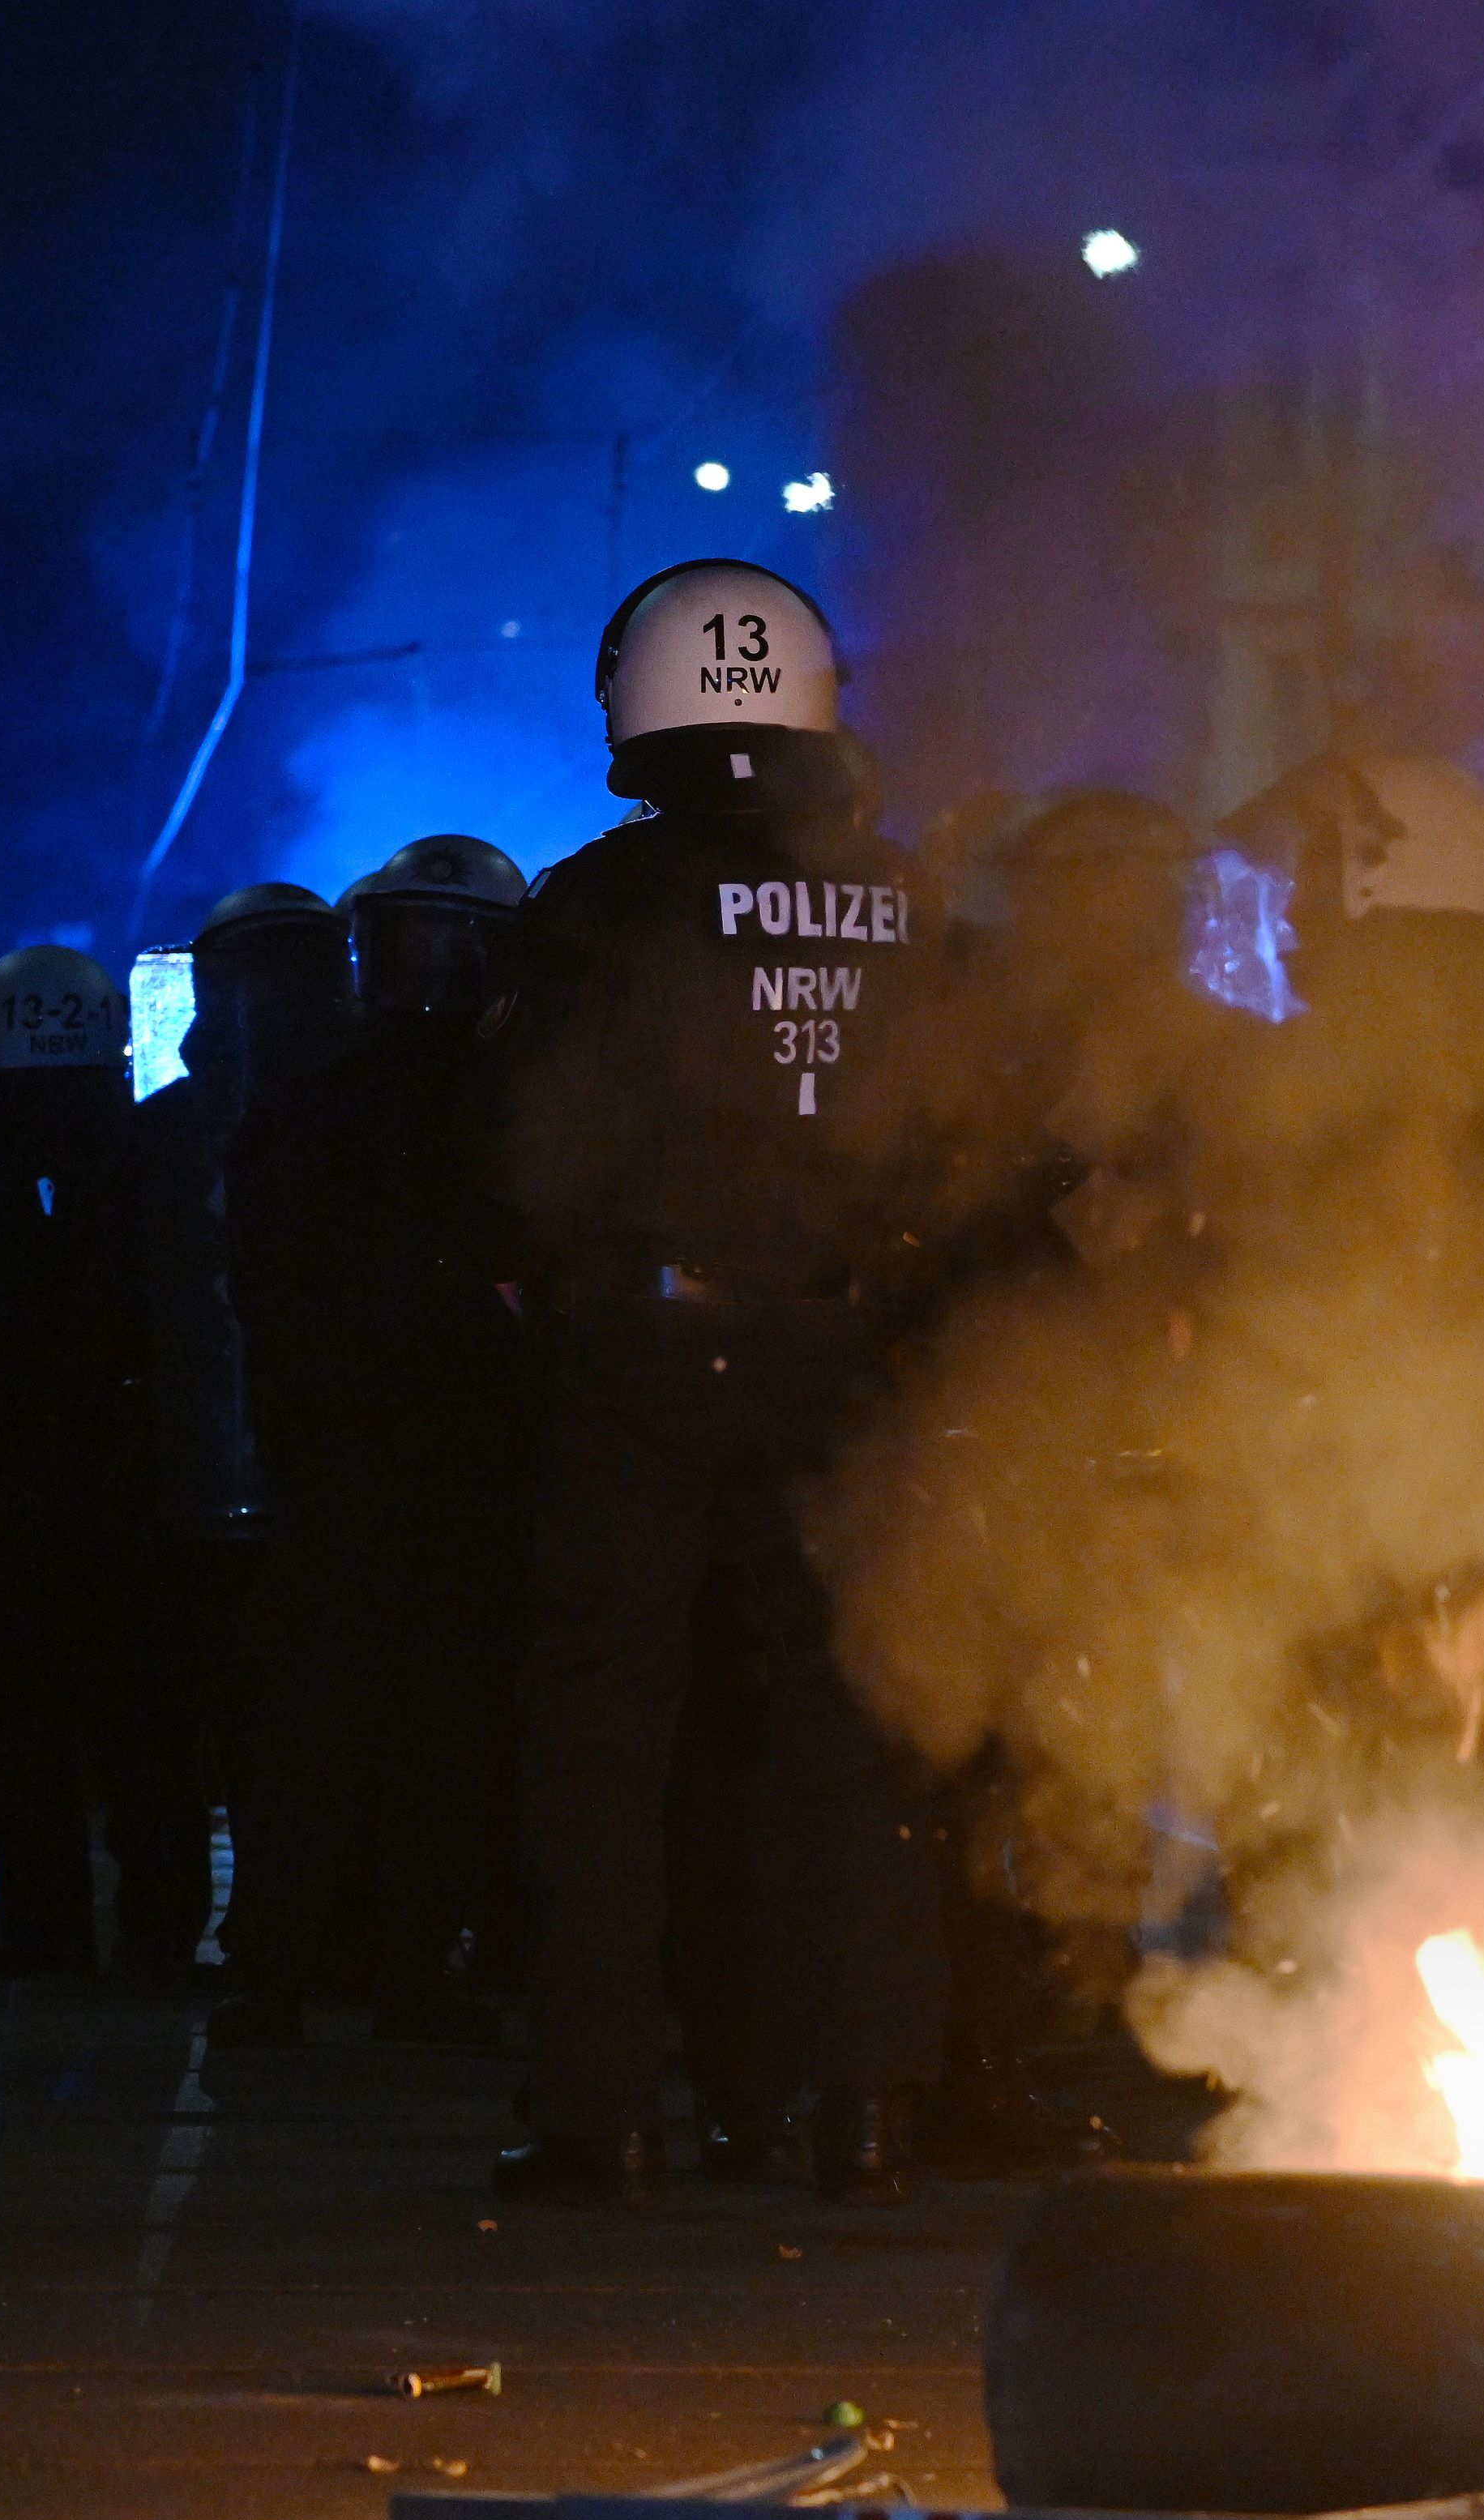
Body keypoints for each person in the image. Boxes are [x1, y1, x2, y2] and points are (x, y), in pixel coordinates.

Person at [494, 560, 950, 2202]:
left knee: (603, 1734)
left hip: (642, 1345)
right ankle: (869, 2107)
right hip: (846, 1346)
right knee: (854, 1729)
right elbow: (961, 1118)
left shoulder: (595, 905)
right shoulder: (899, 897)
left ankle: (601, 2117)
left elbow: (512, 1143)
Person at [219, 849, 538, 2047]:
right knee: (447, 1721)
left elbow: (254, 1283)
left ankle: (288, 1968)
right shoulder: (513, 1108)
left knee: (314, 1716)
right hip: (465, 1472)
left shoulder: (306, 1101)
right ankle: (414, 1968)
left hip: (336, 1466)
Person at [0, 945, 213, 1969]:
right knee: (153, 1736)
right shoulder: (161, 1164)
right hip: (140, 1504)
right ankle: (160, 1934)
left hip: (0, 1512)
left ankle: (48, 1934)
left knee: (22, 1743)